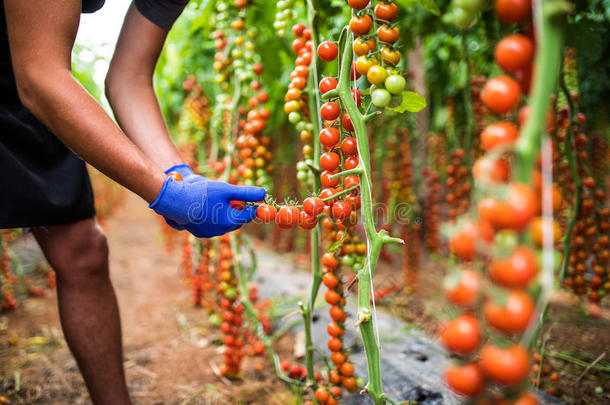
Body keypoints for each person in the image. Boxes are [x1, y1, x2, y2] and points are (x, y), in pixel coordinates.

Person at [0, 1, 265, 403]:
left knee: (83, 249)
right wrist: (164, 194)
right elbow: (39, 77)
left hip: (24, 72)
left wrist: (179, 175)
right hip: (34, 73)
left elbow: (129, 78)